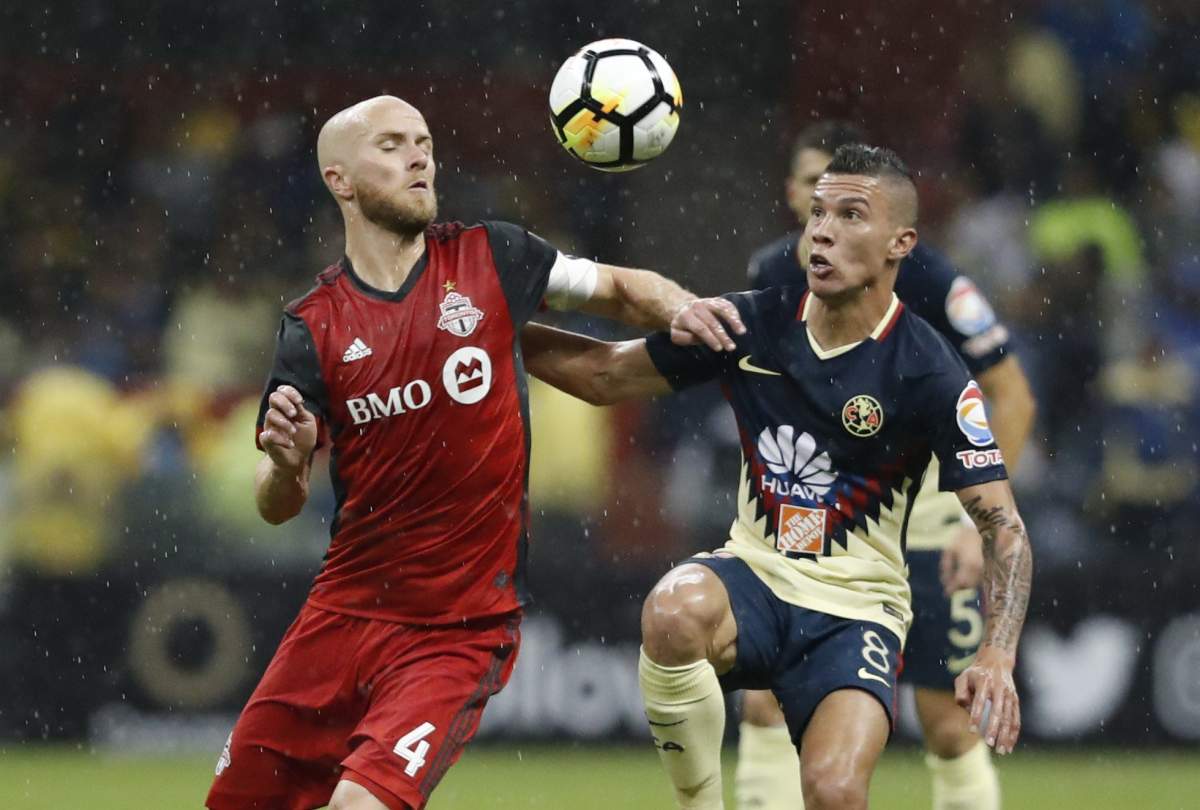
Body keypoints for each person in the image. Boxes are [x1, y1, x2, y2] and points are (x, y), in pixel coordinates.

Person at [204, 95, 743, 810]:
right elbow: (280, 506)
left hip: (455, 629)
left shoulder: (493, 256)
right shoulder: (312, 326)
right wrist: (283, 463)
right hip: (339, 614)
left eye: (424, 141)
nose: (419, 155)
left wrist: (682, 308)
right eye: (391, 145)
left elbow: (615, 287)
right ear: (340, 180)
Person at [521, 144, 1033, 810]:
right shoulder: (752, 324)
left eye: (852, 215)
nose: (822, 229)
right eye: (818, 212)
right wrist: (494, 325)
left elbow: (1005, 528)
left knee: (834, 790)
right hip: (757, 578)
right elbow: (603, 374)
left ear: (899, 243)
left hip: (858, 611)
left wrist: (997, 652)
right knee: (674, 613)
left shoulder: (931, 372)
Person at [736, 122, 1036, 810]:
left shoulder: (930, 276)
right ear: (792, 193)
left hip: (928, 511)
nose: (824, 208)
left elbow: (1013, 392)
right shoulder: (769, 275)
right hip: (821, 507)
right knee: (764, 705)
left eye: (843, 200)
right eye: (814, 192)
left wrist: (973, 523)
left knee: (947, 722)